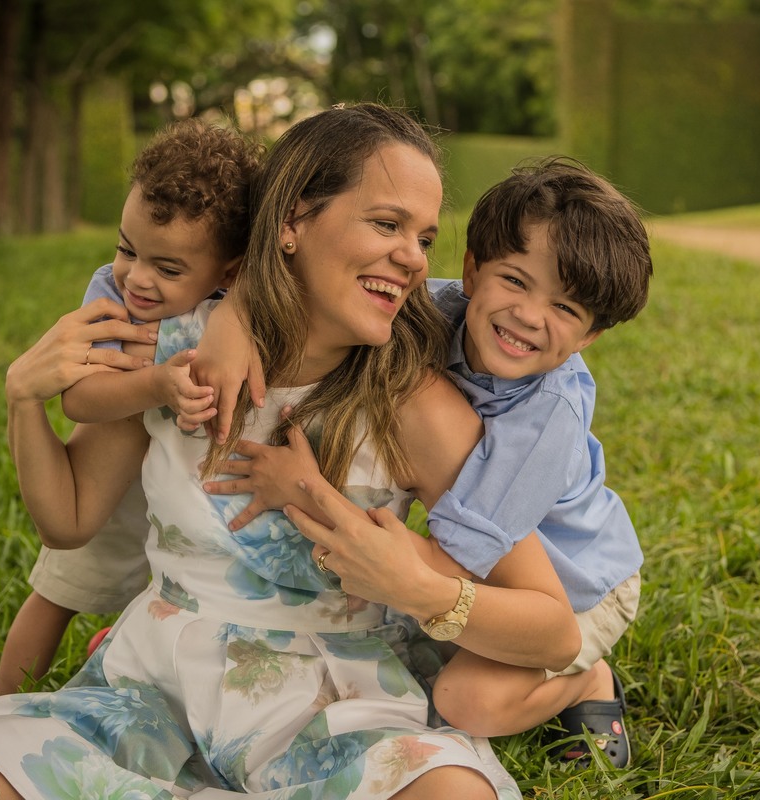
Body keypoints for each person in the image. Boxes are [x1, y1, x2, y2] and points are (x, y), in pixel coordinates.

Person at [0, 103, 579, 800]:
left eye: (423, 238)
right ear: (292, 221)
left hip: (333, 705)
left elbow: (553, 631)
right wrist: (23, 399)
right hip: (156, 690)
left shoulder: (415, 404)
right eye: (387, 224)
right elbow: (69, 519)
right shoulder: (173, 354)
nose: (413, 259)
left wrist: (421, 589)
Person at [202, 158, 653, 767]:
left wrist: (307, 491)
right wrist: (231, 319)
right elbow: (300, 291)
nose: (529, 315)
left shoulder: (544, 423)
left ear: (590, 336)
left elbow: (452, 567)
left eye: (566, 309)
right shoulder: (432, 311)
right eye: (515, 280)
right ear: (470, 270)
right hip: (483, 559)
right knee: (394, 642)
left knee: (464, 700)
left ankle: (586, 682)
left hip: (574, 587)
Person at [0, 119, 262, 696]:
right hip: (121, 457)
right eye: (126, 249)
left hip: (198, 481)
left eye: (167, 268)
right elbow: (80, 399)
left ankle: (118, 650)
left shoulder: (245, 296)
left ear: (230, 270)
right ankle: (3, 701)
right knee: (61, 589)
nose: (136, 278)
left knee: (179, 587)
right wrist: (156, 384)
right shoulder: (111, 293)